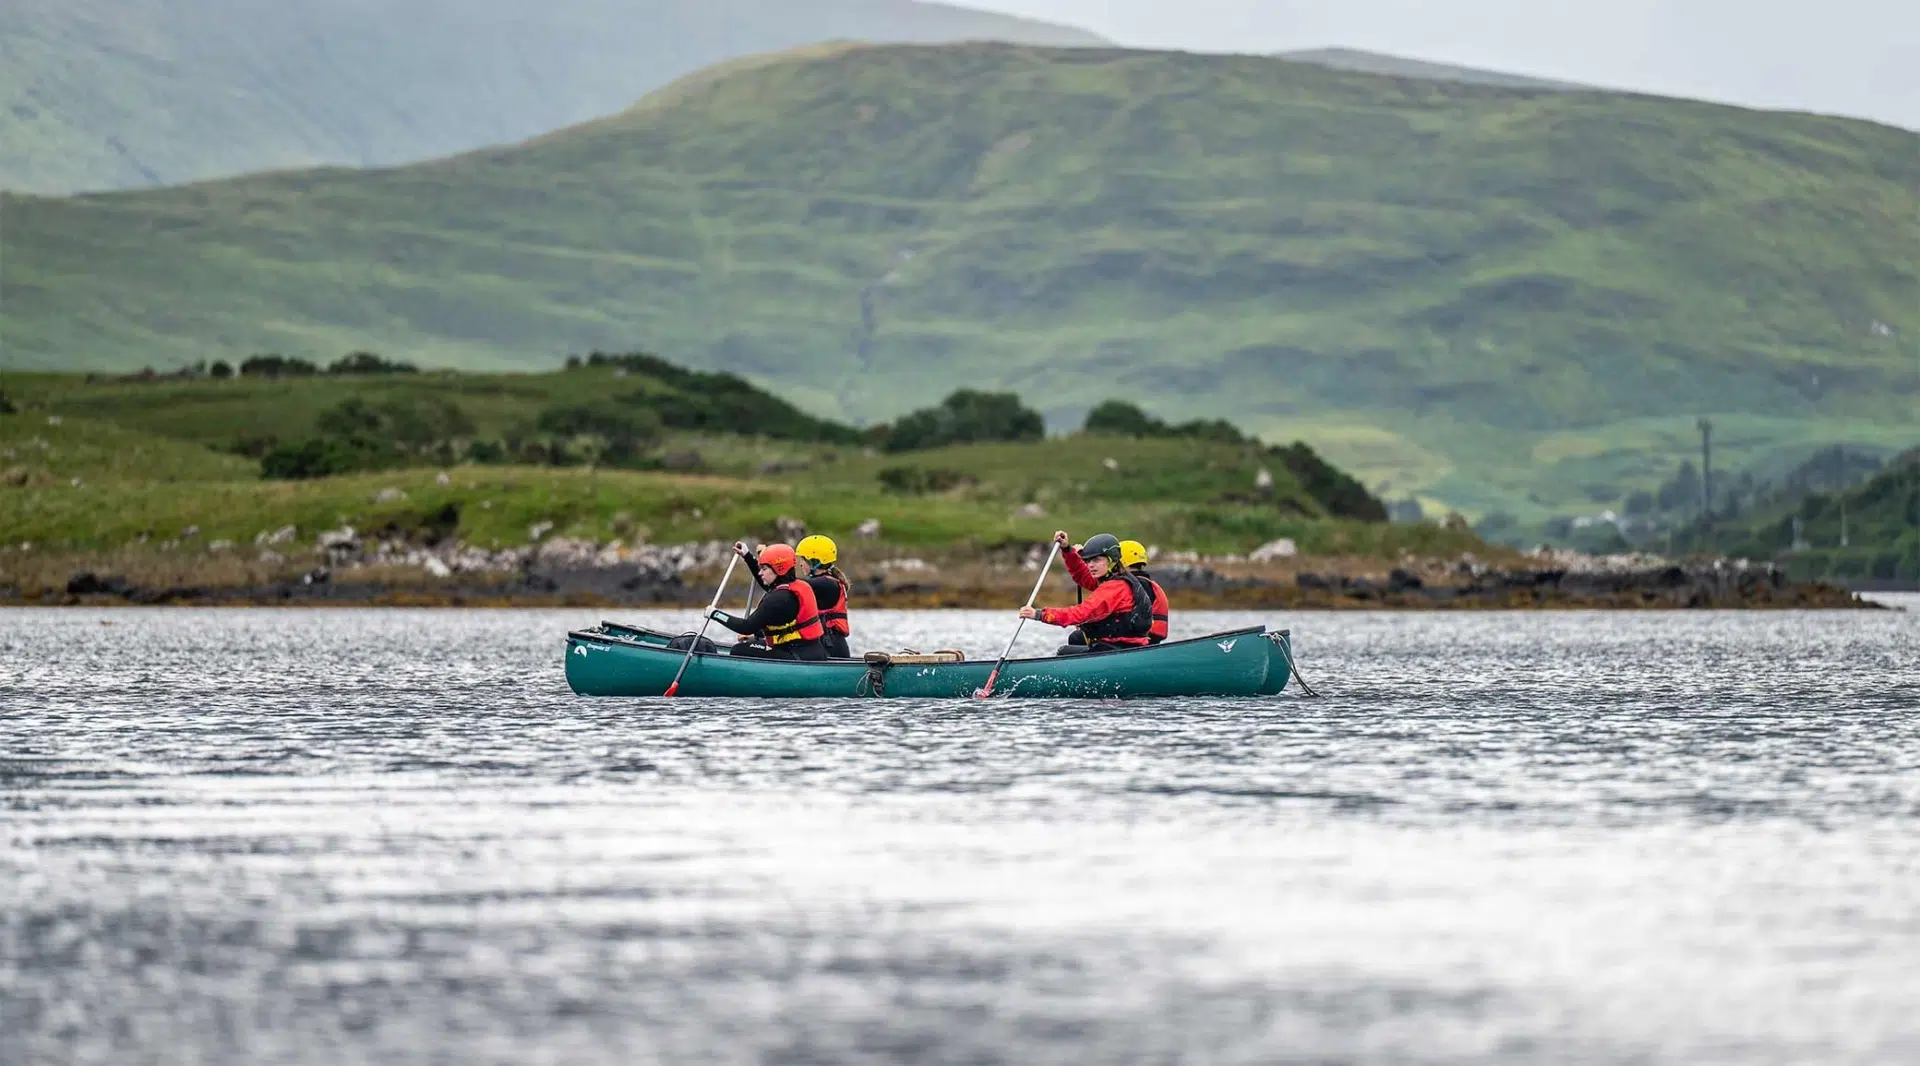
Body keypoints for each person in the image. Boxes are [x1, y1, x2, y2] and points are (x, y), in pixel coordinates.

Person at [1019, 531, 1154, 654]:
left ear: (1112, 560)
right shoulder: (1113, 579)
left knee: (1064, 652)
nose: (1090, 565)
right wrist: (1067, 550)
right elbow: (1082, 576)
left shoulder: (1114, 587)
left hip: (1120, 648)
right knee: (1076, 640)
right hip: (1119, 646)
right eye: (1088, 561)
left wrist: (1039, 615)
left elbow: (1080, 614)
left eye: (1096, 560)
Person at [708, 543, 828, 660]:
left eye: (764, 569)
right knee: (752, 644)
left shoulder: (779, 599)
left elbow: (747, 627)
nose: (760, 573)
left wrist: (715, 614)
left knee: (739, 650)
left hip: (796, 656)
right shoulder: (791, 588)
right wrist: (747, 556)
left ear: (779, 569)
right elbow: (766, 585)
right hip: (809, 653)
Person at [795, 534, 853, 658]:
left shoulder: (827, 584)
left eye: (803, 560)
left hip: (830, 647)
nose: (800, 564)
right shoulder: (821, 583)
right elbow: (777, 585)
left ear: (814, 562)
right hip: (823, 646)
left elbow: (785, 584)